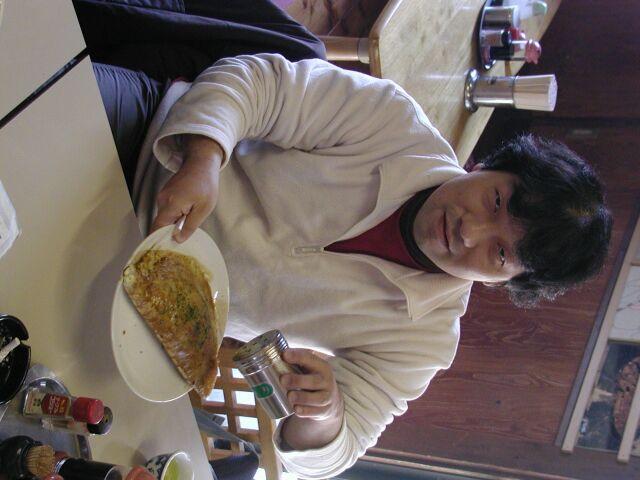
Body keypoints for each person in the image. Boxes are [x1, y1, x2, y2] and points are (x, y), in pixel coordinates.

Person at [83, 4, 612, 480]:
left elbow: (335, 454)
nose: (469, 231)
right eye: (494, 201)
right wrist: (204, 158)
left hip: (129, 298)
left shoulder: (425, 339)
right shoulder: (393, 124)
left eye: (499, 253)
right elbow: (256, 83)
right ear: (487, 166)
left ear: (505, 282)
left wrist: (327, 412)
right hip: (143, 137)